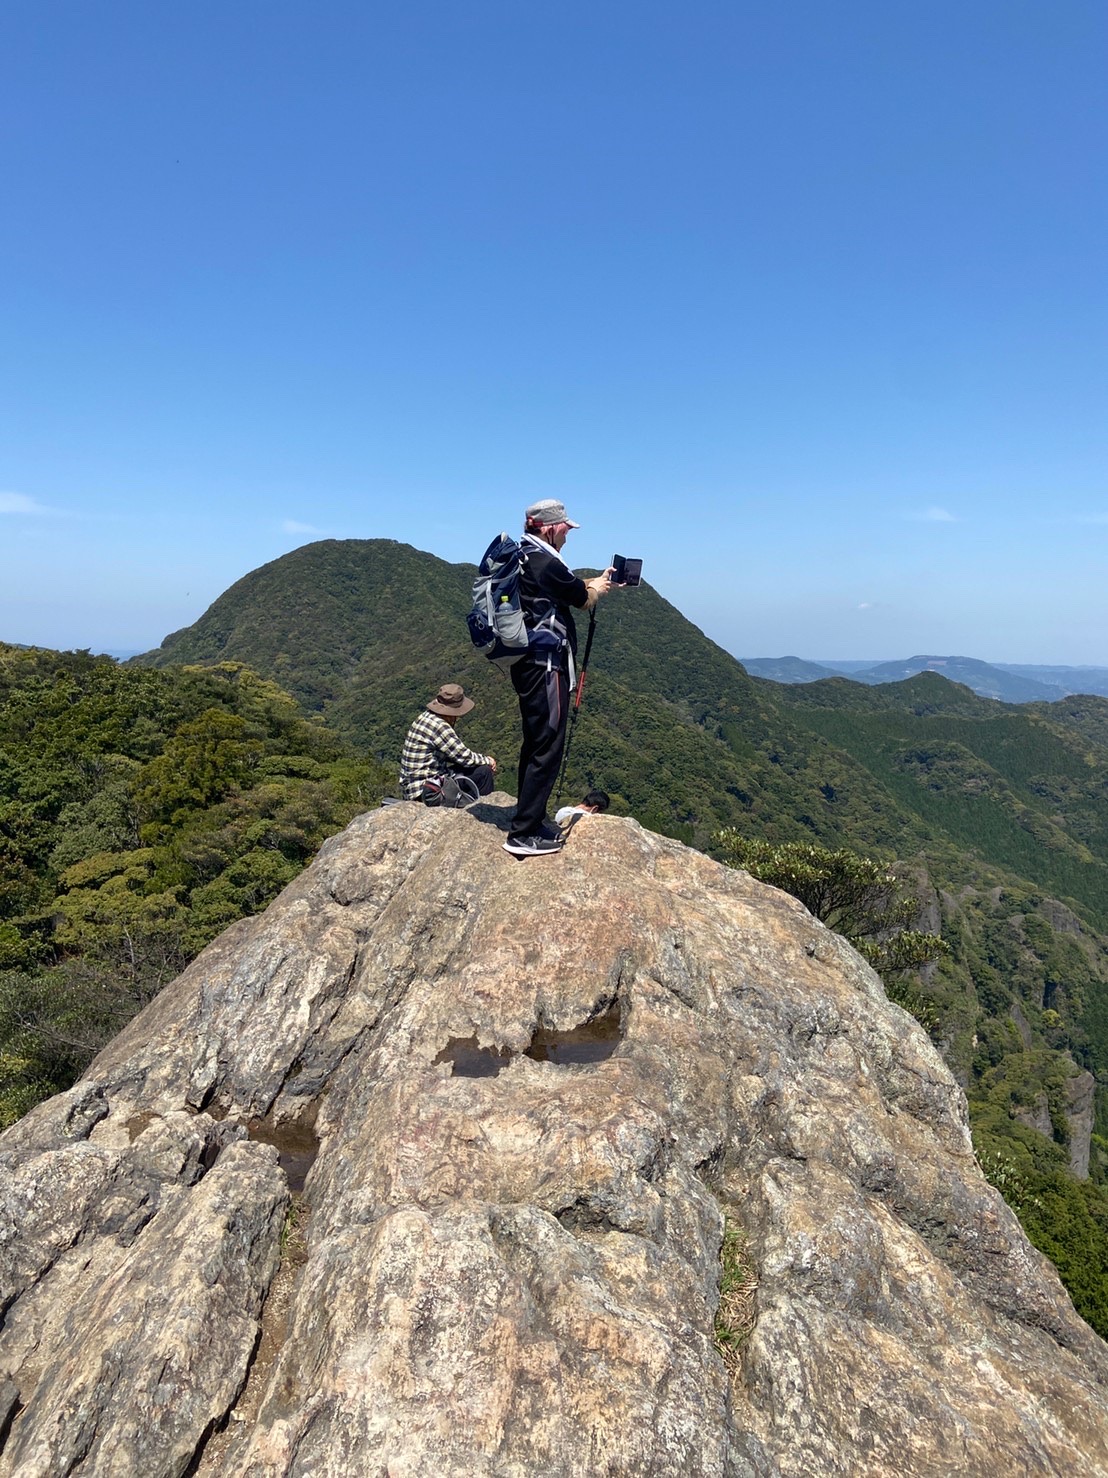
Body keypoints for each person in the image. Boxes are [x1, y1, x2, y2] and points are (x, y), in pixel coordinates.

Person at [504, 500, 615, 857]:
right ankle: (523, 833)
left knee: (535, 741)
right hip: (545, 664)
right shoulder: (545, 561)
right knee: (547, 743)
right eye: (565, 526)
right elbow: (582, 600)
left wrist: (589, 583)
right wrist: (598, 588)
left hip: (525, 662)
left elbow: (562, 588)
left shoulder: (522, 554)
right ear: (550, 528)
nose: (568, 532)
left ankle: (530, 819)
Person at [400, 683, 497, 804]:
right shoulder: (440, 726)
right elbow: (465, 757)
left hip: (414, 788)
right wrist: (488, 761)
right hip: (429, 790)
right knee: (484, 772)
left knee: (469, 770)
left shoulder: (425, 717)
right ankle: (483, 812)